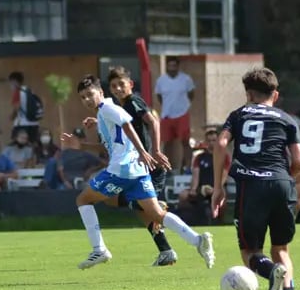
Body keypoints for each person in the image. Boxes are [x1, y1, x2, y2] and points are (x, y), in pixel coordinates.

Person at [73, 74, 214, 270]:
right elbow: (112, 141)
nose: (87, 99)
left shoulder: (108, 107)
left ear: (101, 93)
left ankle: (99, 249)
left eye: (90, 94)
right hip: (136, 170)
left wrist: (144, 152)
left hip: (121, 169)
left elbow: (127, 125)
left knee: (83, 199)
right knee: (155, 213)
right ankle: (198, 241)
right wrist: (83, 143)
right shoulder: (104, 112)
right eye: (83, 97)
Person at [211, 67, 300, 290]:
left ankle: (270, 271)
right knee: (281, 250)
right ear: (275, 94)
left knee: (251, 252)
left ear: (248, 94)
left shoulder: (239, 114)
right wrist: (286, 180)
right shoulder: (286, 118)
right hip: (282, 183)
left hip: (251, 187)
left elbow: (220, 144)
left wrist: (218, 186)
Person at [107, 66, 178, 266]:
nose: (118, 88)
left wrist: (155, 150)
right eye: (114, 86)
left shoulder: (134, 101)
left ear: (130, 84)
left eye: (121, 84)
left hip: (151, 165)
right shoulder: (120, 107)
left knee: (126, 202)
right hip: (137, 167)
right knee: (135, 208)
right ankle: (165, 251)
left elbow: (153, 122)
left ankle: (158, 209)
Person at [178, 130, 231, 221]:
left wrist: (216, 188)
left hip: (217, 188)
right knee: (183, 195)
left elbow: (224, 175)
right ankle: (189, 220)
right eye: (209, 140)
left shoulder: (224, 156)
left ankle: (219, 221)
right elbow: (195, 175)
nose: (211, 143)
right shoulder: (199, 157)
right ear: (206, 142)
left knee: (223, 200)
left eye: (214, 140)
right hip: (201, 188)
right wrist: (194, 189)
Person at [155, 56, 195, 173]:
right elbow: (159, 97)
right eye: (170, 66)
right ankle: (167, 168)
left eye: (174, 66)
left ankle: (188, 168)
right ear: (167, 67)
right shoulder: (161, 80)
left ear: (178, 66)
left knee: (185, 141)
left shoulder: (186, 79)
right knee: (167, 143)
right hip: (167, 115)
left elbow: (191, 94)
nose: (172, 68)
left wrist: (183, 106)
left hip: (182, 114)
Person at [8, 71, 41, 143]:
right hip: (34, 124)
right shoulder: (29, 91)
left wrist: (11, 117)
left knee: (17, 145)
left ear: (14, 81)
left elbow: (16, 107)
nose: (10, 85)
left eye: (11, 83)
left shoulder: (17, 92)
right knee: (32, 145)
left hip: (22, 125)